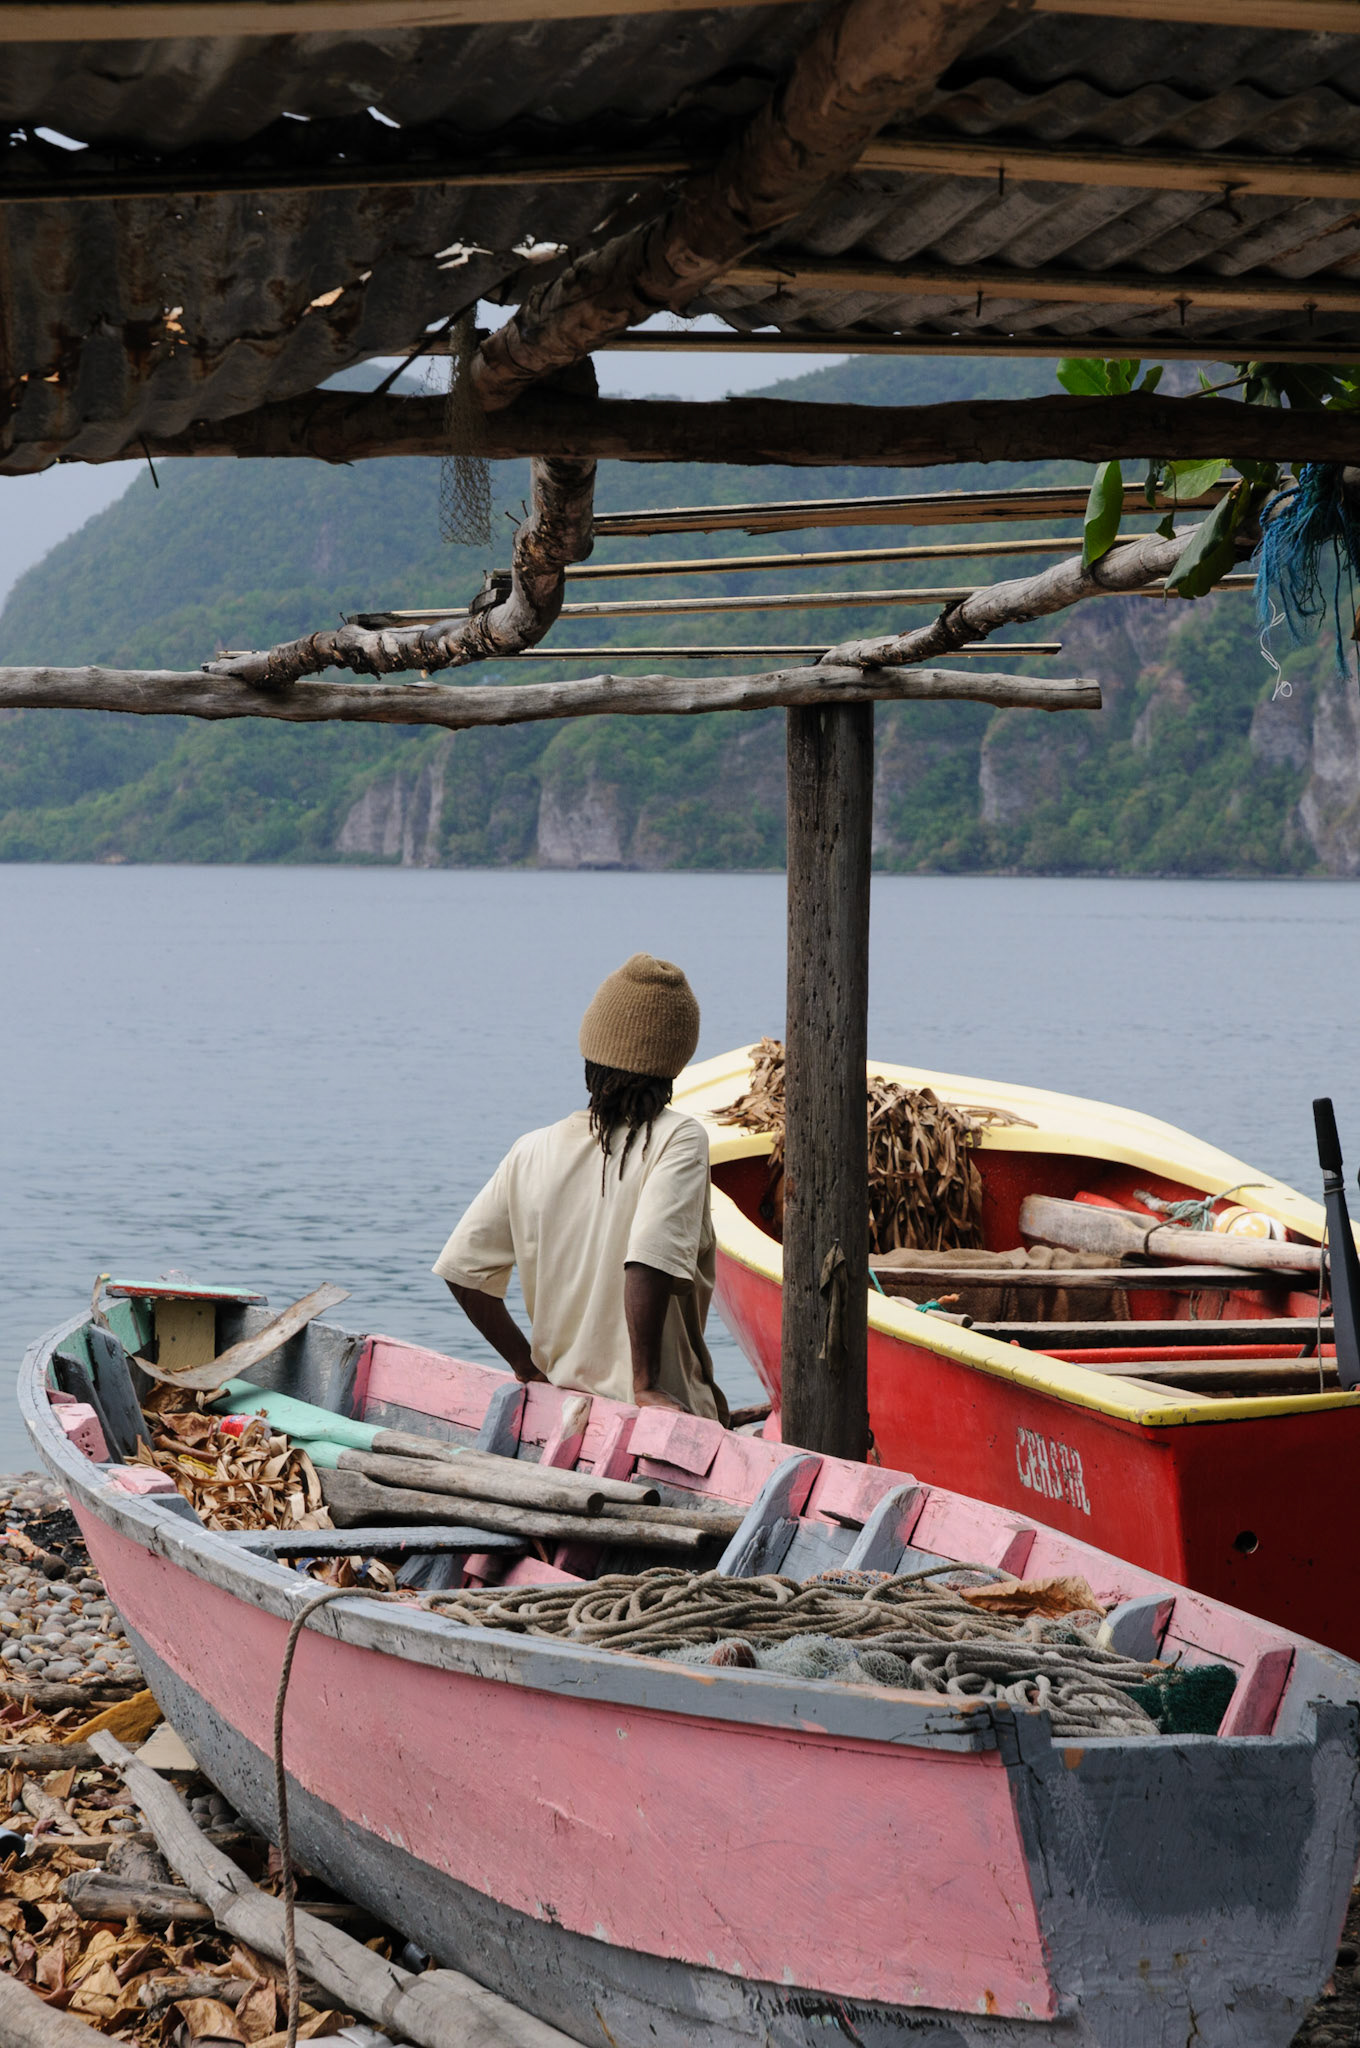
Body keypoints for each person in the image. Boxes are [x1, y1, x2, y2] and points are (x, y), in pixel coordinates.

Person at [433, 953, 726, 1420]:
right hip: (660, 1419)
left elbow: (464, 1273)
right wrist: (645, 1384)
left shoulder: (533, 1149)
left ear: (590, 1053)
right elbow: (647, 1259)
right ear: (677, 1059)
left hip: (564, 1412)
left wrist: (526, 1366)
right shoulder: (679, 1138)